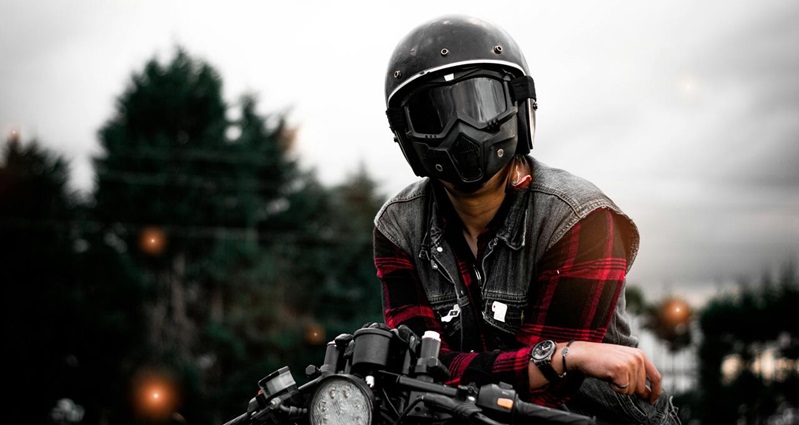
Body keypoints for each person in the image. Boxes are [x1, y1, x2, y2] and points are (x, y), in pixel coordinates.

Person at [372, 14, 681, 424]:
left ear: (519, 104)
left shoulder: (582, 218)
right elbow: (414, 369)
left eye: (480, 104)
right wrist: (562, 357)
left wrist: (547, 363)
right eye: (433, 116)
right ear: (405, 135)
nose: (460, 130)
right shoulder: (398, 228)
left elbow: (547, 390)